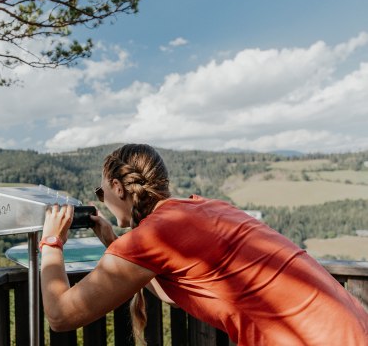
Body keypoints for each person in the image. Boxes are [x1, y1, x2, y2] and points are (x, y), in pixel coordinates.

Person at [40, 143, 368, 345]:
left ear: (117, 187)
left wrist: (51, 242)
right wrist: (112, 241)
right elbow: (176, 295)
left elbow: (61, 316)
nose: (103, 199)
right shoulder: (208, 208)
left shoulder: (152, 236)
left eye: (102, 193)